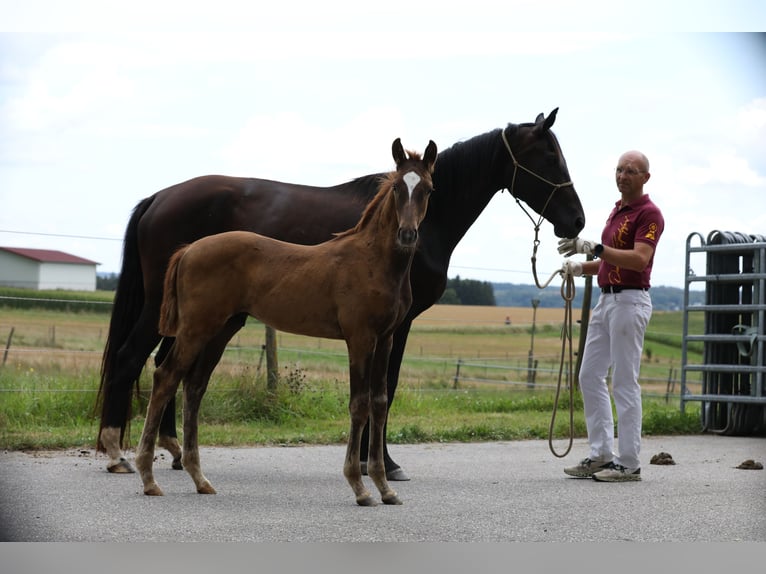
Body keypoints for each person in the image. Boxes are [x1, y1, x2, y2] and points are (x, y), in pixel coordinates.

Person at [557, 150, 664, 482]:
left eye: (631, 171)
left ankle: (629, 461)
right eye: (619, 169)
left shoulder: (649, 214)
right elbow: (608, 262)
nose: (623, 175)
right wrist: (581, 267)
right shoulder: (617, 211)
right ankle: (601, 453)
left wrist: (595, 249)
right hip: (606, 302)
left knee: (624, 381)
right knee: (589, 375)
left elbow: (638, 260)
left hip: (630, 302)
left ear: (645, 177)